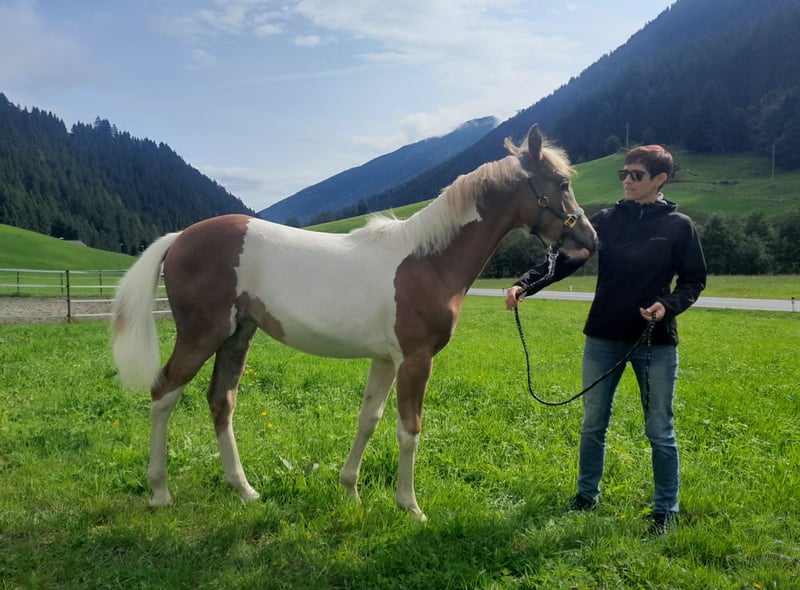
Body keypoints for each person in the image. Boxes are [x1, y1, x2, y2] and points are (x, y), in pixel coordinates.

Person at [505, 145, 707, 535]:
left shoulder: (679, 225)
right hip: (603, 338)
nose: (627, 180)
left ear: (660, 179)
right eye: (624, 173)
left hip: (655, 343)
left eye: (637, 175)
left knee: (659, 429)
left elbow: (694, 280)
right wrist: (524, 284)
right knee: (593, 423)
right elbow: (566, 258)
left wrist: (667, 306)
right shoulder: (607, 221)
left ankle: (665, 510)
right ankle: (585, 497)